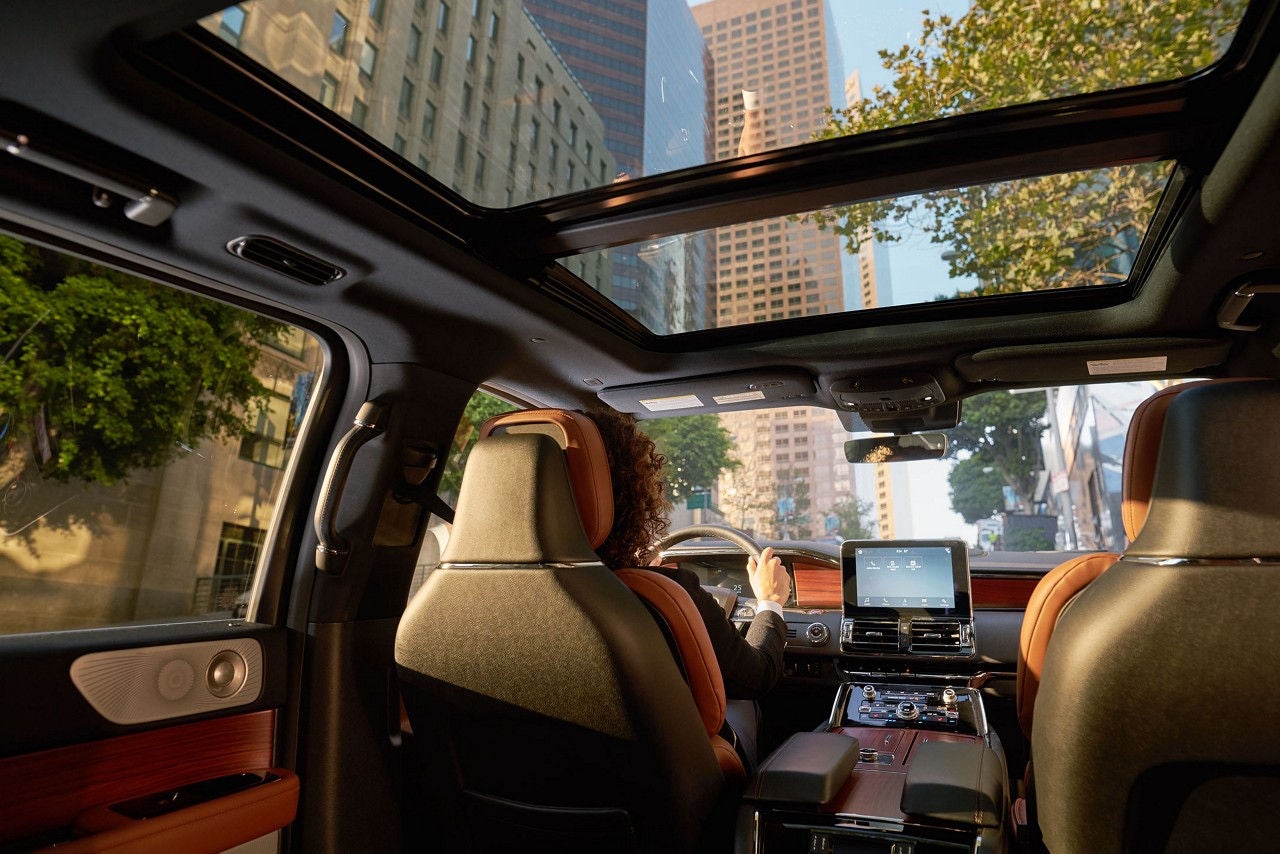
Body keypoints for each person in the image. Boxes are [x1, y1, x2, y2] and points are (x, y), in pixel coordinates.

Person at [584, 408, 791, 700]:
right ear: (634, 494)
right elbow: (756, 677)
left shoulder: (505, 593)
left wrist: (631, 569)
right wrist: (770, 601)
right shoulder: (666, 592)